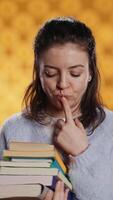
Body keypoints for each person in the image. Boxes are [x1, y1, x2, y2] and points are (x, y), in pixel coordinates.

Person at [0, 16, 113, 200]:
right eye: (50, 73)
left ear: (90, 72)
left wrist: (81, 151)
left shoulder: (110, 128)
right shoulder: (13, 129)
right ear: (38, 72)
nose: (62, 84)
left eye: (75, 73)